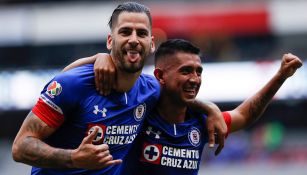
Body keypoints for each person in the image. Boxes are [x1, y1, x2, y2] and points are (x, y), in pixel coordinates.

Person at [12, 2, 226, 175]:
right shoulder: (75, 83)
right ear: (110, 41)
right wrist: (73, 158)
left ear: (151, 44)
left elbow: (175, 95)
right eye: (125, 32)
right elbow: (20, 147)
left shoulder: (149, 88)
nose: (134, 39)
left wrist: (210, 109)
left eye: (141, 33)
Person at [63, 39, 303, 175]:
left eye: (199, 71)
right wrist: (98, 58)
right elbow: (67, 83)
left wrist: (281, 76)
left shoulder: (201, 121)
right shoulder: (137, 114)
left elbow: (244, 115)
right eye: (186, 71)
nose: (195, 79)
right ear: (160, 76)